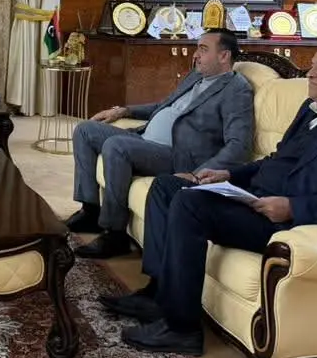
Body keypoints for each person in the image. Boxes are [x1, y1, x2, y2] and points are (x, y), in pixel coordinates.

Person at [109, 42, 317, 356]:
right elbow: (275, 160)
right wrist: (229, 175)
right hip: (255, 198)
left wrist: (293, 207)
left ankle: (181, 329)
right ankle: (159, 295)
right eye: (312, 65)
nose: (310, 73)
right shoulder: (311, 108)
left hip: (289, 222)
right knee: (167, 186)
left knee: (190, 205)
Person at [68, 30, 254, 259]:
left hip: (178, 156)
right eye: (197, 48)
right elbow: (163, 105)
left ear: (224, 56)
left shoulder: (236, 89)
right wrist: (124, 111)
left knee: (116, 146)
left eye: (203, 49)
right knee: (85, 130)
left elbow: (239, 145)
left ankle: (114, 234)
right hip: (145, 140)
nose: (195, 55)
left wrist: (198, 174)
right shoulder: (196, 76)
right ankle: (90, 210)